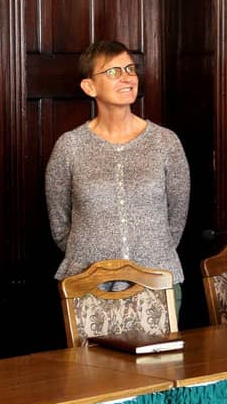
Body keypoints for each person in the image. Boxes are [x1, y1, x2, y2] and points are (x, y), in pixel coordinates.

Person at [45, 40, 190, 312]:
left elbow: (177, 217)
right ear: (89, 86)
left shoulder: (165, 142)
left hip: (158, 284)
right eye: (113, 71)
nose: (126, 77)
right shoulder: (69, 146)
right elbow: (60, 224)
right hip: (87, 287)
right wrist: (93, 254)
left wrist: (151, 252)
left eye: (130, 69)